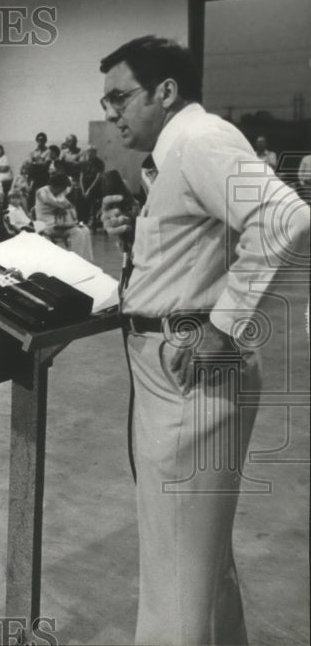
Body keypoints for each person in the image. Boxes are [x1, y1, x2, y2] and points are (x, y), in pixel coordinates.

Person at [99, 35, 310, 645]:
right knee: (197, 559)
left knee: (176, 566)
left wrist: (225, 326)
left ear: (165, 91)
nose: (112, 113)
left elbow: (283, 216)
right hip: (174, 369)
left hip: (189, 373)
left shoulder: (198, 140)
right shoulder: (176, 153)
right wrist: (138, 239)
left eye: (121, 97)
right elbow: (196, 253)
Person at [34, 172, 93, 261]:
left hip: (60, 225)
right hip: (46, 226)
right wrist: (63, 206)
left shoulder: (59, 194)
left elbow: (70, 207)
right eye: (62, 189)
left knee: (85, 230)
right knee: (77, 232)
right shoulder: (41, 192)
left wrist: (66, 207)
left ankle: (85, 261)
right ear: (58, 187)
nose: (63, 192)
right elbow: (53, 202)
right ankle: (75, 261)